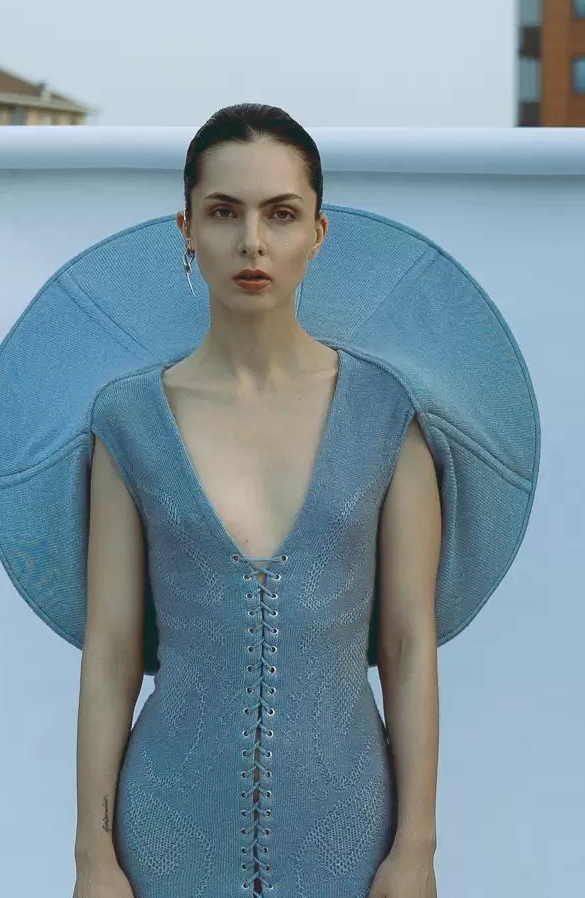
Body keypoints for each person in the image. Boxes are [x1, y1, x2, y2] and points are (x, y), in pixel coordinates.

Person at [72, 104, 441, 898]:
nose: (252, 242)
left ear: (318, 232)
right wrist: (92, 858)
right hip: (165, 829)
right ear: (187, 230)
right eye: (223, 213)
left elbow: (410, 645)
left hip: (349, 822)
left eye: (281, 214)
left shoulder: (387, 413)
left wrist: (416, 848)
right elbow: (109, 653)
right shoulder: (128, 419)